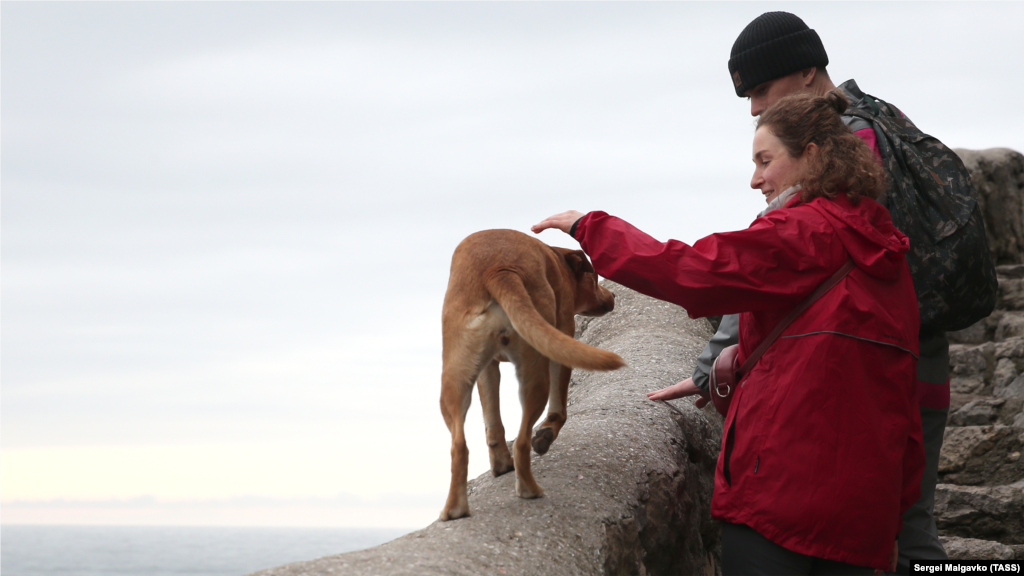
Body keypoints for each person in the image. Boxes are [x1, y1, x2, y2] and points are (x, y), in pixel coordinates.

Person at [532, 91, 925, 574]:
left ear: (811, 156)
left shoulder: (802, 235)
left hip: (780, 502)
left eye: (765, 160)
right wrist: (894, 519)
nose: (755, 179)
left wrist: (590, 227)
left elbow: (693, 271)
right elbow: (894, 389)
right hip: (863, 517)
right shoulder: (886, 252)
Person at [668, 12, 979, 573]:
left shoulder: (845, 142)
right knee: (911, 526)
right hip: (918, 349)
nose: (756, 107)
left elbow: (785, 259)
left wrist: (713, 363)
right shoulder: (886, 116)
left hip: (875, 370)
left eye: (762, 89)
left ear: (808, 71)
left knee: (906, 533)